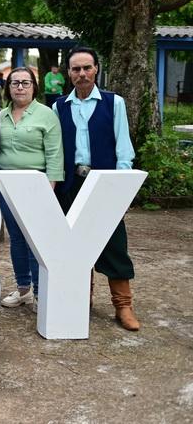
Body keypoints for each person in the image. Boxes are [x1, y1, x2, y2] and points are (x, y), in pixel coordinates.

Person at [53, 46, 140, 331]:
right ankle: (81, 301)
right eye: (76, 69)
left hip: (105, 182)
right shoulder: (59, 106)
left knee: (114, 242)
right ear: (69, 73)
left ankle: (123, 305)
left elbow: (124, 147)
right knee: (74, 244)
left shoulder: (114, 103)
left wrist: (123, 188)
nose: (82, 74)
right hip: (71, 183)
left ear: (96, 69)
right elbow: (55, 150)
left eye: (86, 68)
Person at [0, 67, 64, 312]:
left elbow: (55, 153)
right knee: (16, 238)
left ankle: (39, 292)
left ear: (34, 86)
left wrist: (50, 187)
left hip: (37, 185)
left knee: (35, 240)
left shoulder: (46, 115)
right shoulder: (0, 115)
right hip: (6, 185)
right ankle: (23, 289)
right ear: (8, 88)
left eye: (25, 82)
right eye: (15, 83)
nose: (20, 87)